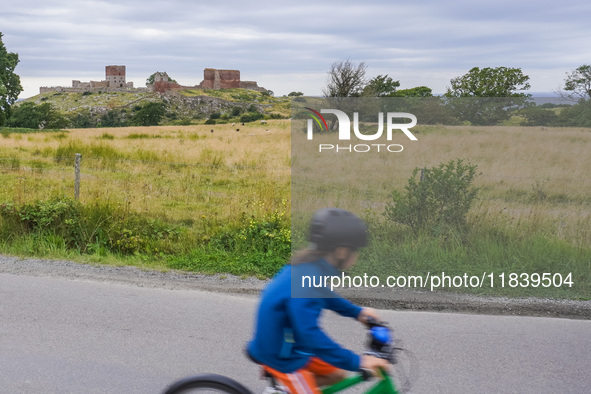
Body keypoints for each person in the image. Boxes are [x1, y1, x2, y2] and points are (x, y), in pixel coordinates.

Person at [247, 208, 390, 393]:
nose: (356, 257)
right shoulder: (308, 276)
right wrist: (358, 361)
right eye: (355, 251)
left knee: (337, 375)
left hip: (291, 345)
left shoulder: (311, 268)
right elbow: (309, 334)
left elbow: (325, 295)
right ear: (341, 251)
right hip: (282, 356)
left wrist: (358, 313)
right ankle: (288, 387)